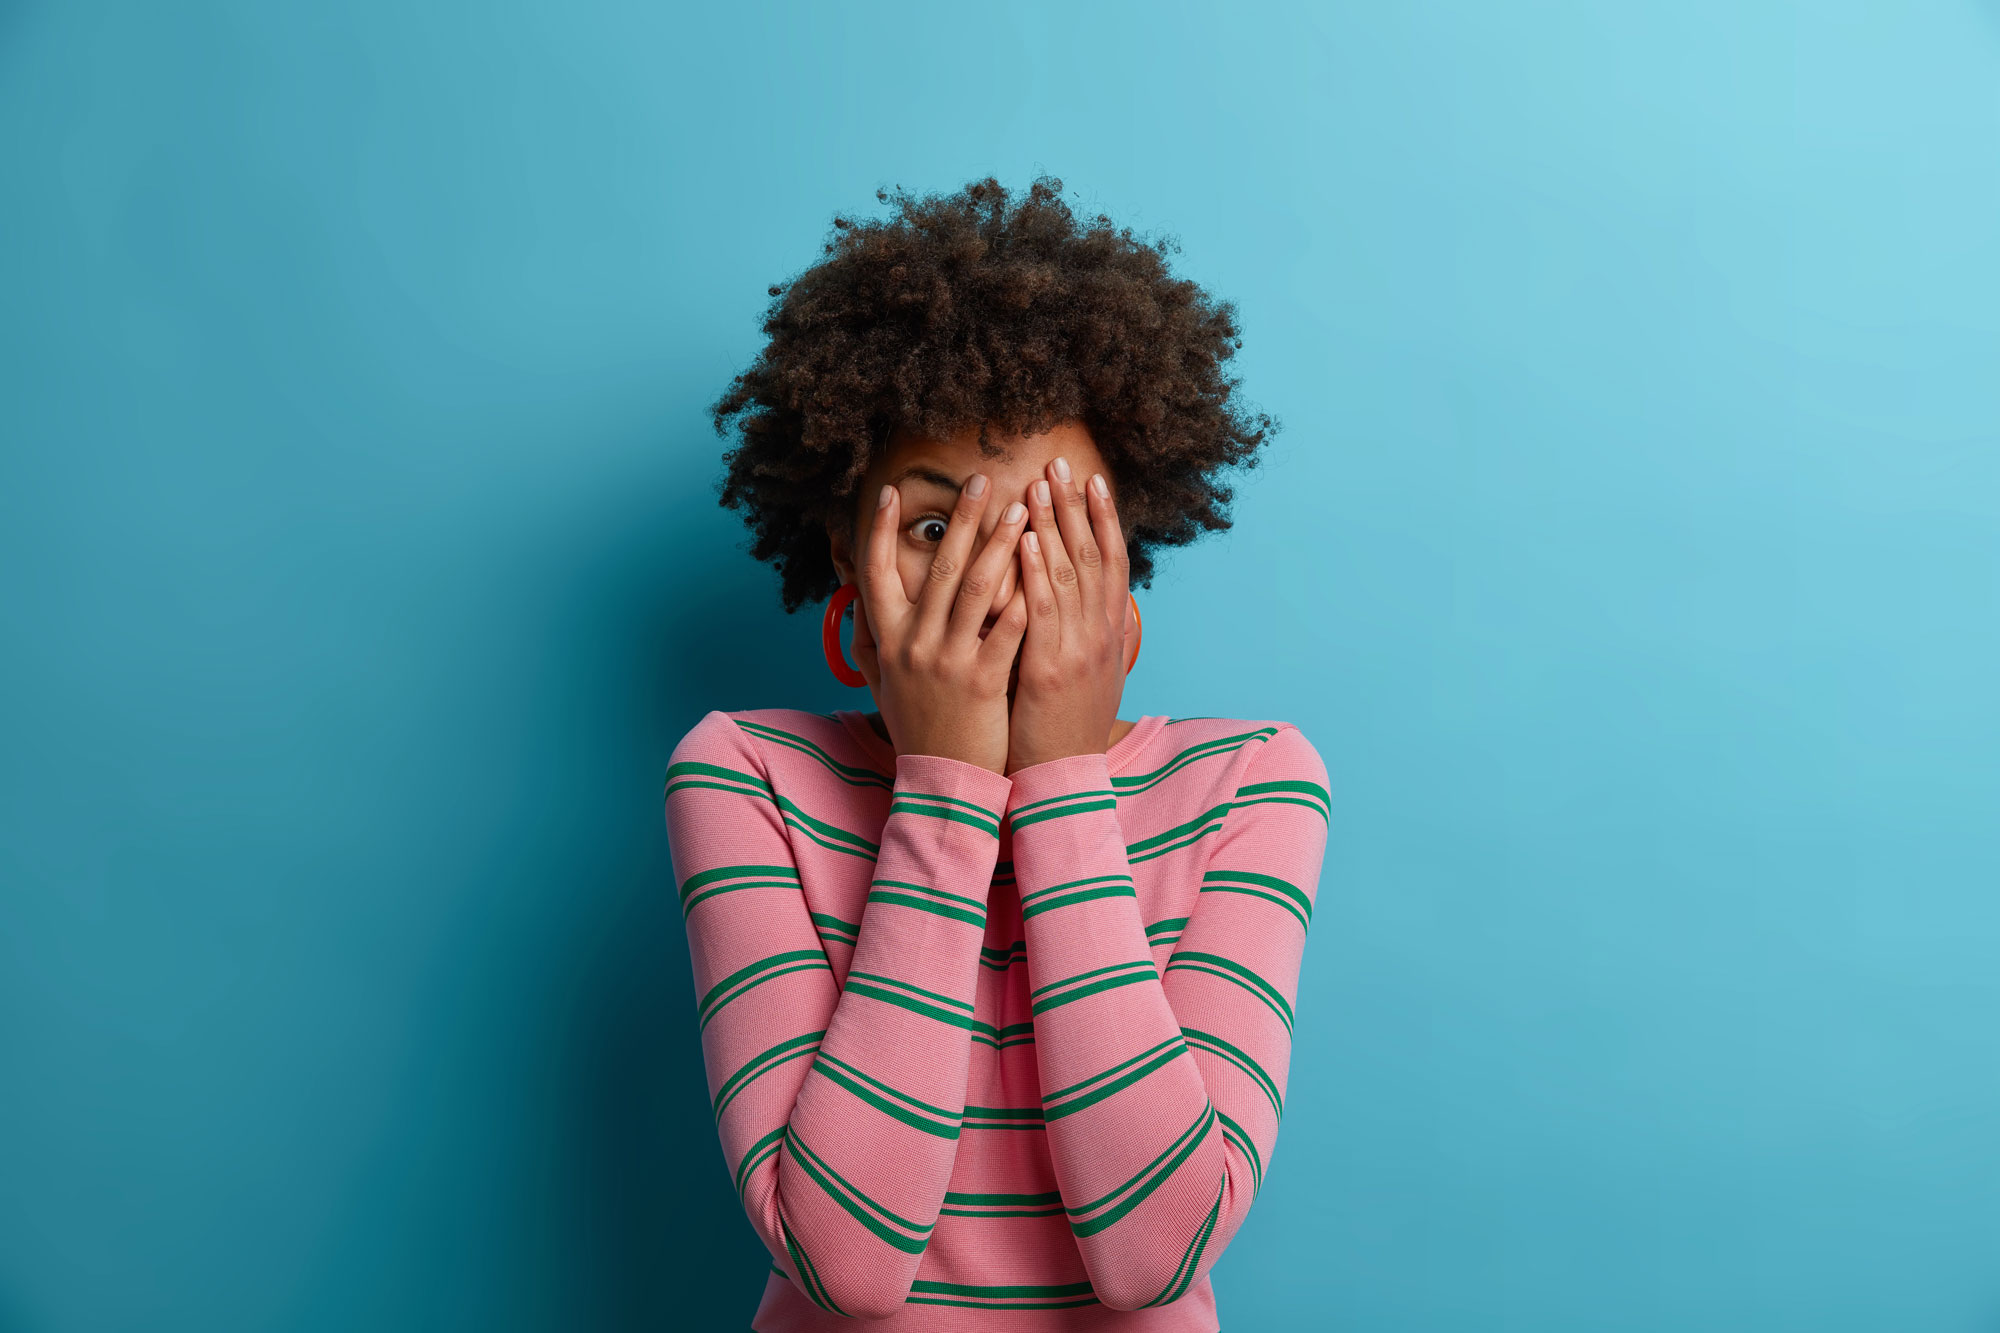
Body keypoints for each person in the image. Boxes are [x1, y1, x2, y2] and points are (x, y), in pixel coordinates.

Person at [666, 177, 1330, 1331]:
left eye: (1054, 530)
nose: (997, 582)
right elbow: (849, 1263)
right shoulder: (746, 776)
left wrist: (1063, 784)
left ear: (1124, 586)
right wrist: (946, 787)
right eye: (936, 527)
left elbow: (1150, 1254)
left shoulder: (1250, 784)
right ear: (848, 577)